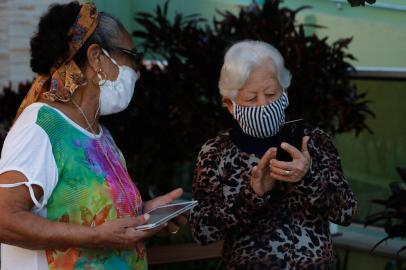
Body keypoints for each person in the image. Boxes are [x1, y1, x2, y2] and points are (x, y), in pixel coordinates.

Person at [0, 2, 186, 269]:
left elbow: (96, 218)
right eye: (131, 56)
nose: (137, 69)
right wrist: (96, 238)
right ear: (97, 57)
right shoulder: (42, 128)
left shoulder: (100, 135)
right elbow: (5, 218)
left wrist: (145, 215)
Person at [190, 40, 357, 270]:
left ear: (284, 92)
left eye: (271, 93)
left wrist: (308, 177)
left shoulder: (314, 141)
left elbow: (346, 211)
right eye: (251, 98)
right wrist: (253, 193)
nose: (263, 104)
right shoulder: (216, 151)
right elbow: (202, 231)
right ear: (230, 105)